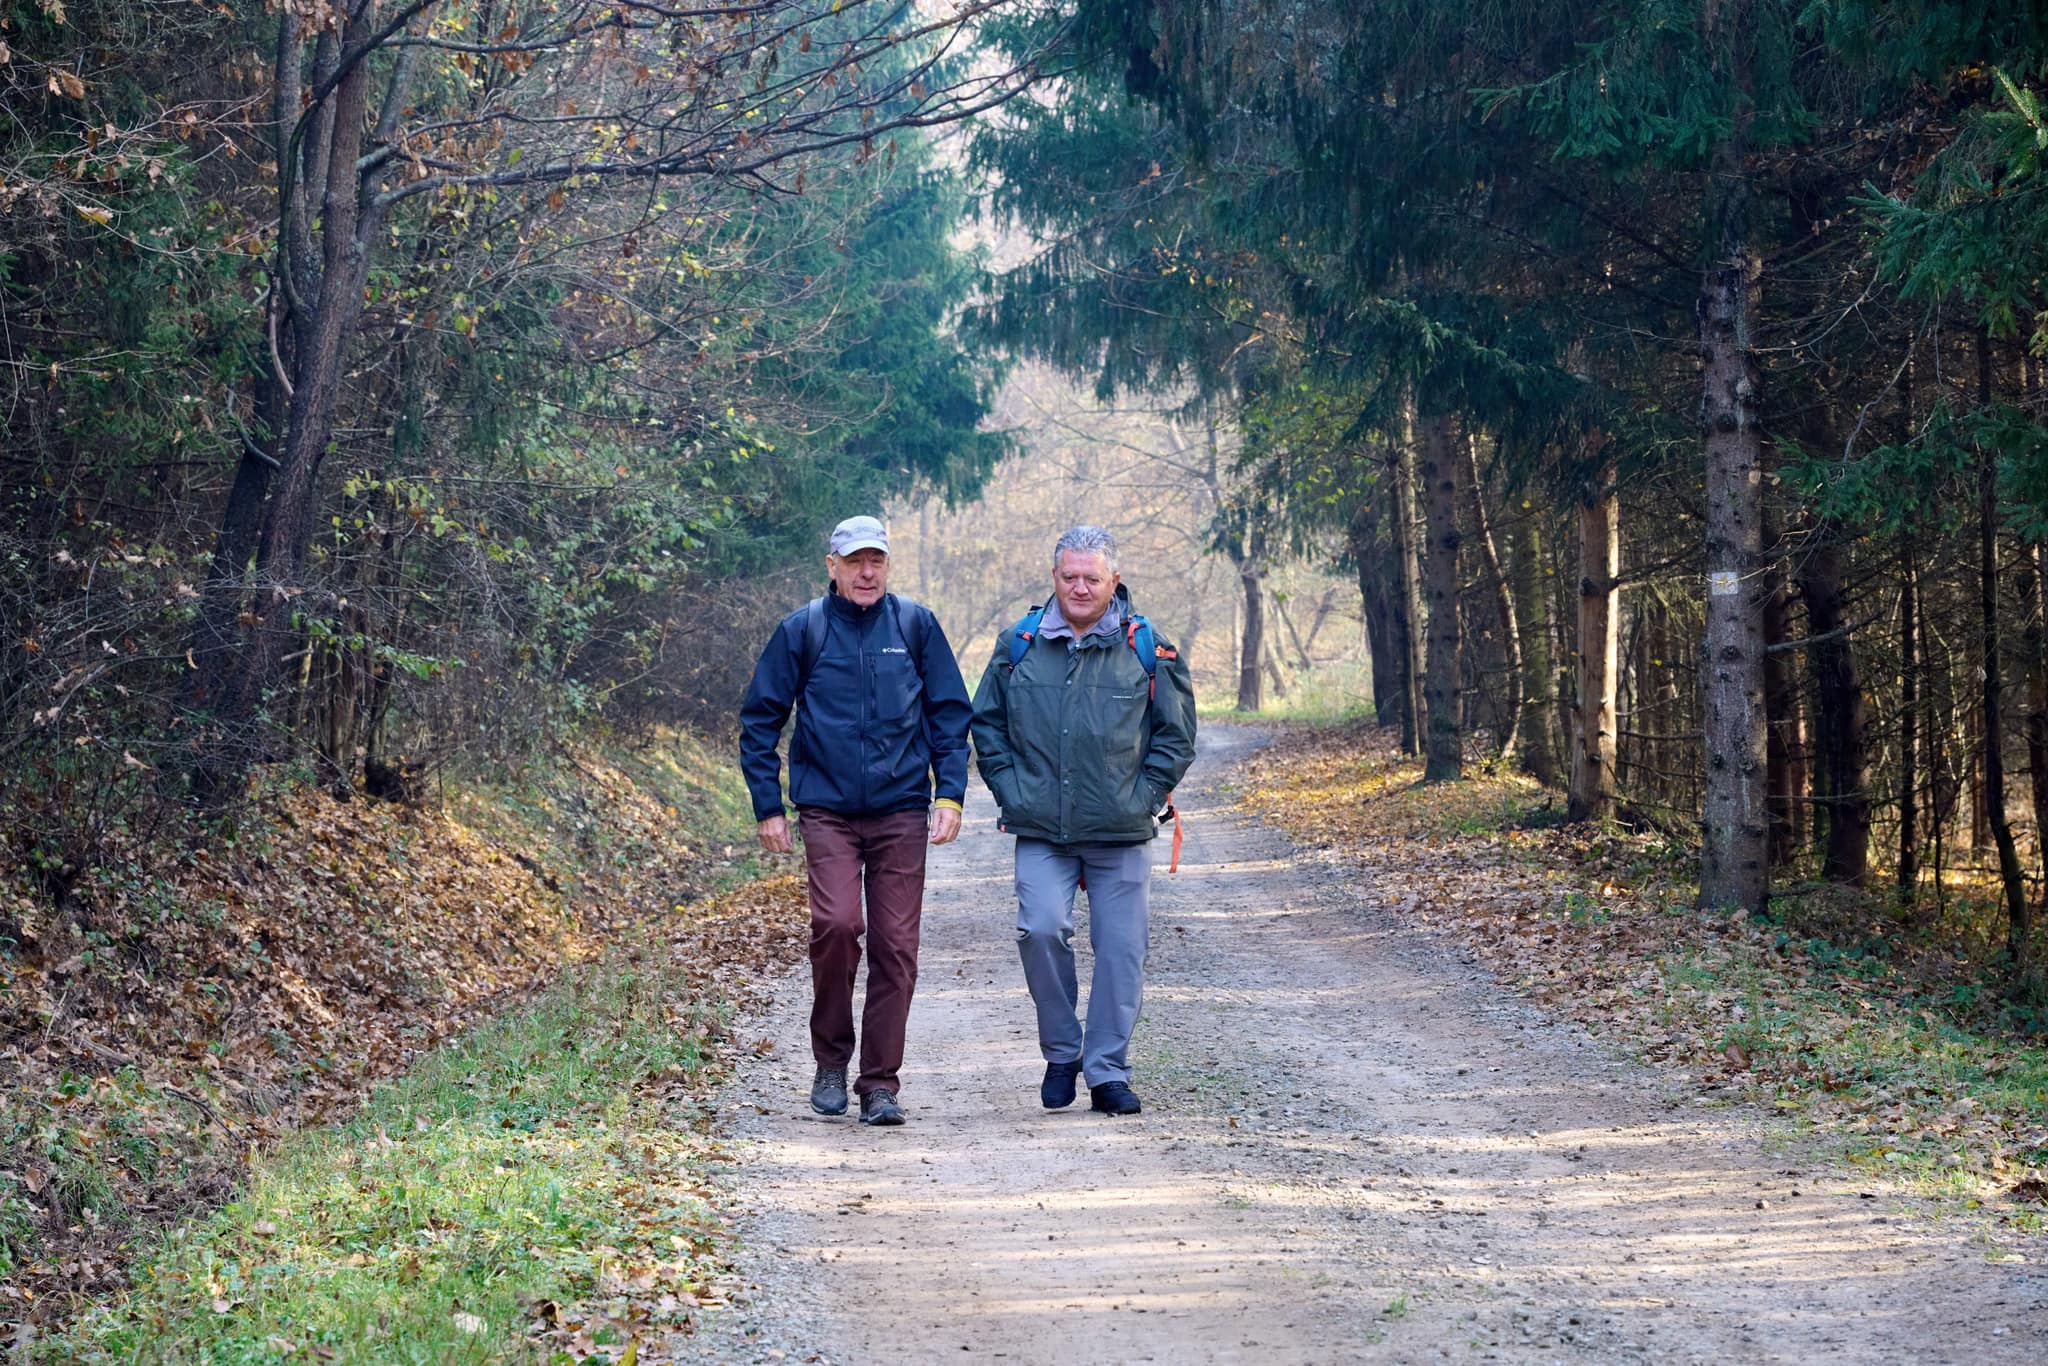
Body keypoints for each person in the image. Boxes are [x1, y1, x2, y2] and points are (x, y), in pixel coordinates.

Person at [739, 515, 971, 1127]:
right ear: (832, 565)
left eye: (877, 561)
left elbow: (950, 715)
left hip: (900, 810)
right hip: (828, 810)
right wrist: (769, 805)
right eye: (855, 561)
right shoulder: (804, 630)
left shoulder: (915, 626)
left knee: (896, 947)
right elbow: (760, 720)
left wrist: (949, 794)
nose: (867, 572)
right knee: (839, 926)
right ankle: (830, 1062)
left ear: (888, 565)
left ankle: (879, 1085)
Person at [970, 525, 1197, 1116]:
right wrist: (1010, 788)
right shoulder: (1018, 643)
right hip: (1042, 827)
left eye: (1091, 578)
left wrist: (1144, 796)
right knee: (1040, 930)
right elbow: (986, 724)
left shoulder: (1147, 646)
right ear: (1055, 577)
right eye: (1069, 576)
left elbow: (1176, 736)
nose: (1079, 587)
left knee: (1122, 950)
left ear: (1113, 581)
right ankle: (1063, 1052)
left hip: (1120, 829)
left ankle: (1107, 1072)